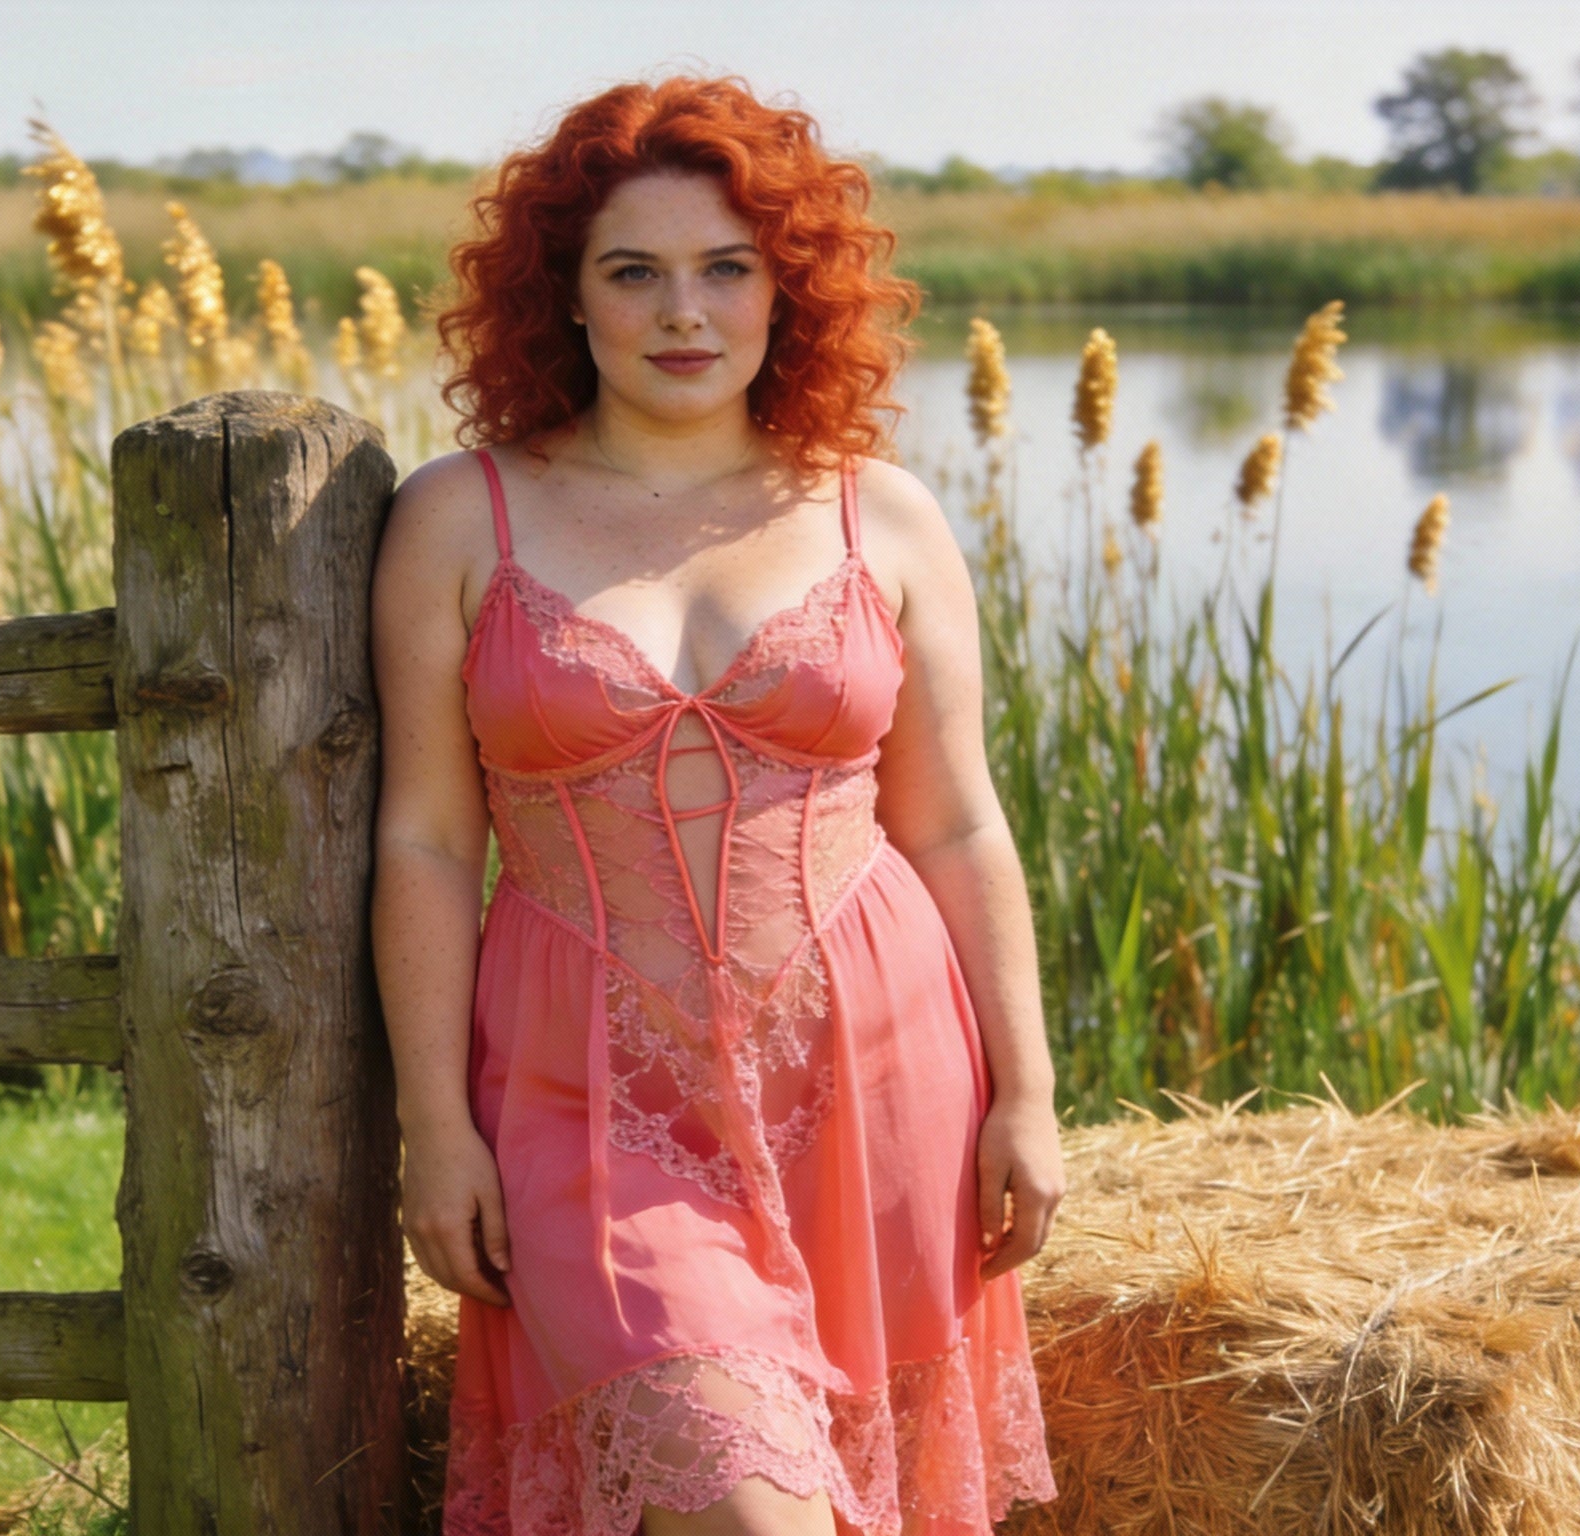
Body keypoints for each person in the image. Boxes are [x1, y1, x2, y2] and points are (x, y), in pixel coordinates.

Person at [370, 73, 1062, 1536]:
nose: (682, 312)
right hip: (587, 1091)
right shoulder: (459, 516)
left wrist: (1030, 1094)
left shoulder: (882, 513)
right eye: (633, 272)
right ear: (562, 297)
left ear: (782, 291)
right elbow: (426, 840)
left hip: (870, 1085)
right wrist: (435, 1127)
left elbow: (952, 824)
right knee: (741, 1509)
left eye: (724, 270)